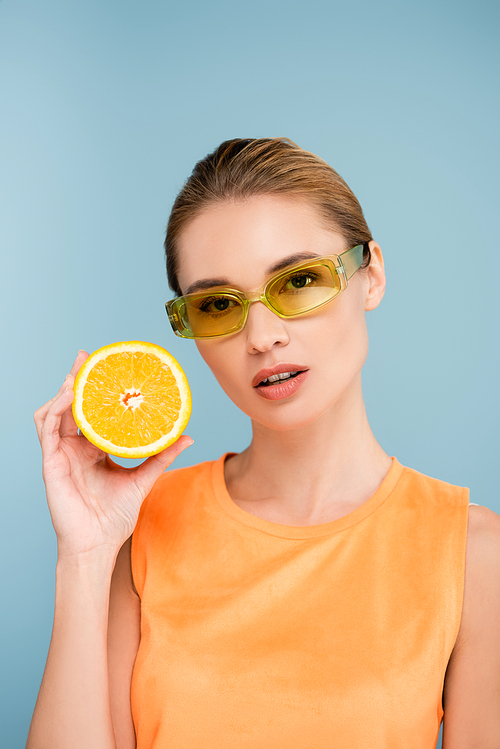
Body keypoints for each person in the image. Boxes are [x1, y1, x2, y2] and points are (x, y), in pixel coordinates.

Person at [28, 138, 500, 749]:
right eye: (219, 304)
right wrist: (85, 556)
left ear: (372, 275)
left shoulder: (473, 553)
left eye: (299, 280)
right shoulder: (140, 529)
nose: (262, 337)